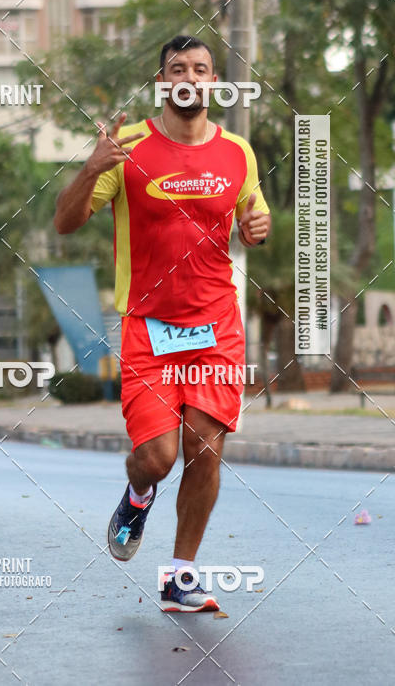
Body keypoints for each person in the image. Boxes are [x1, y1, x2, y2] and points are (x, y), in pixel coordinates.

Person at [53, 35, 271, 612]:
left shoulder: (238, 152)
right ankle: (138, 492)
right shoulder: (125, 147)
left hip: (216, 324)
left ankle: (180, 574)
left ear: (214, 81)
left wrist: (257, 225)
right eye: (178, 68)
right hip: (147, 327)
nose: (190, 77)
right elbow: (65, 222)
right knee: (158, 457)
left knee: (205, 445)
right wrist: (90, 168)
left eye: (201, 69)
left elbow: (253, 207)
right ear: (162, 81)